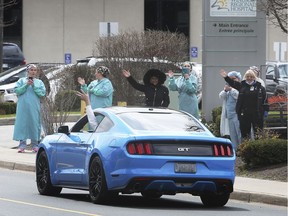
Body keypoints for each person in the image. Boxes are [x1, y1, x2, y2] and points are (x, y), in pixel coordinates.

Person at [220, 69, 269, 140]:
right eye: (247, 76)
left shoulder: (260, 88)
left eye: (251, 76)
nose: (249, 78)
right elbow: (232, 83)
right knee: (245, 134)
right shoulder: (242, 86)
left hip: (257, 113)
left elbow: (265, 100)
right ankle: (246, 148)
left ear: (254, 77)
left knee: (258, 133)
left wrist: (266, 111)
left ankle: (258, 148)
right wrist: (226, 77)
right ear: (245, 77)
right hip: (244, 114)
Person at [13, 64, 46, 153]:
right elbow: (17, 91)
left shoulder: (39, 82)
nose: (33, 72)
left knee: (34, 124)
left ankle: (35, 145)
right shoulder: (21, 81)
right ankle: (22, 145)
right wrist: (26, 85)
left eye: (35, 70)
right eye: (31, 70)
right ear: (27, 71)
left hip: (34, 107)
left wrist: (34, 86)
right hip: (22, 107)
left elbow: (42, 94)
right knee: (22, 124)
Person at [219, 71, 242, 149]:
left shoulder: (240, 87)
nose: (232, 80)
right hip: (229, 114)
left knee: (239, 132)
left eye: (234, 78)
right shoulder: (227, 87)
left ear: (238, 78)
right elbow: (221, 96)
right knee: (232, 133)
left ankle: (241, 147)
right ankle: (235, 148)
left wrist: (231, 89)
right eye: (230, 79)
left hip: (237, 114)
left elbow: (237, 96)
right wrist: (225, 90)